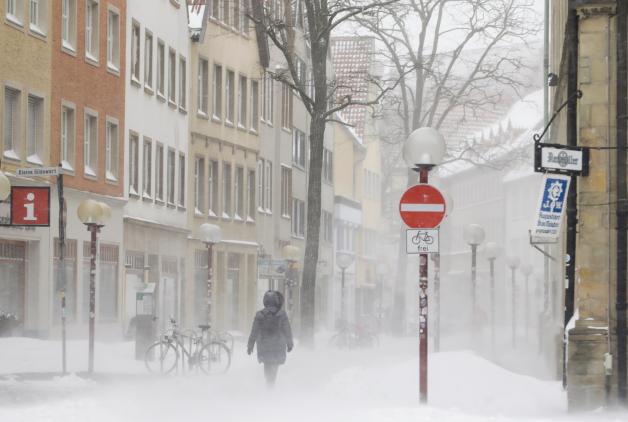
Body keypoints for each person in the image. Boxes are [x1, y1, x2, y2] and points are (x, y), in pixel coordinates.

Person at [247, 290, 293, 387]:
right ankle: (271, 383)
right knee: (274, 365)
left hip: (264, 346)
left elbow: (254, 331)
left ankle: (269, 381)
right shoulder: (282, 314)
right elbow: (287, 330)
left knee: (267, 364)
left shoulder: (259, 315)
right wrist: (289, 343)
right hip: (278, 346)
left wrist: (250, 345)